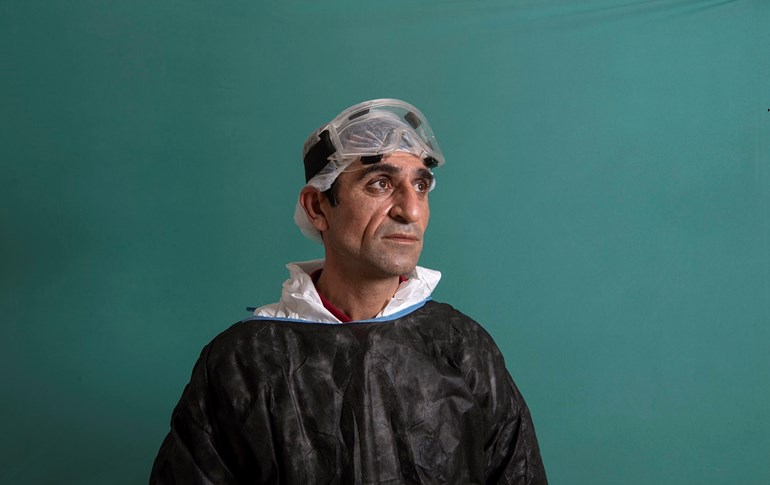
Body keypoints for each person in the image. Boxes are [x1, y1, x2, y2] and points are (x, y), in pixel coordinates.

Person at [150, 99, 547, 484]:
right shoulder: (242, 363)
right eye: (380, 183)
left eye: (421, 185)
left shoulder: (463, 348)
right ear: (318, 208)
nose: (410, 210)